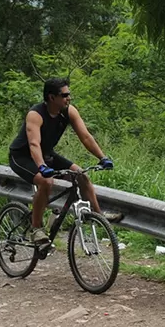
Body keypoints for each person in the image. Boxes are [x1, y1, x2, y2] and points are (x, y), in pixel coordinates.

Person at [8, 78, 122, 244]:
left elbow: (85, 137)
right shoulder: (36, 114)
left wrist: (102, 158)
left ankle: (98, 217)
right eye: (65, 95)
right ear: (51, 97)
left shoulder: (68, 111)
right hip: (21, 156)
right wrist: (41, 166)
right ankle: (36, 228)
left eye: (69, 95)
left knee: (81, 175)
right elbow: (33, 144)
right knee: (46, 181)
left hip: (46, 154)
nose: (69, 98)